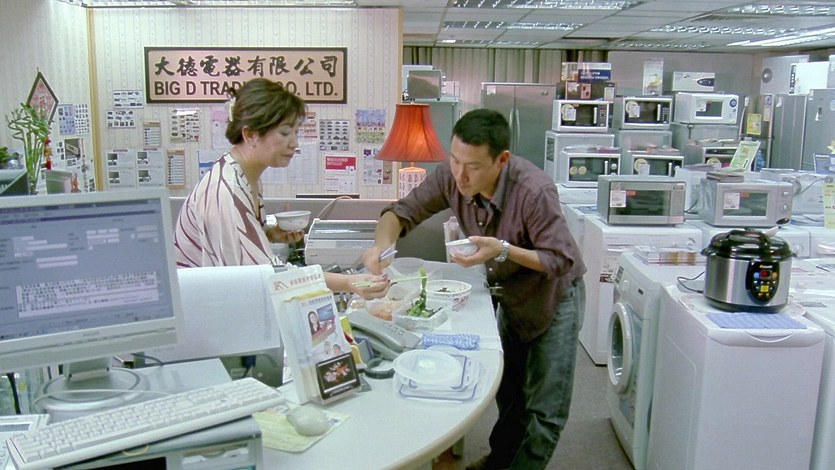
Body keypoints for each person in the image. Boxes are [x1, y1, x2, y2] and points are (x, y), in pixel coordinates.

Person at [361, 109, 586, 470]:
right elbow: (400, 212)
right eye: (454, 160)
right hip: (511, 295)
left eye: (473, 167)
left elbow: (560, 259)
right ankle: (499, 462)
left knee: (545, 409)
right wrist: (381, 248)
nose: (460, 175)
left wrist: (503, 250)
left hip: (552, 299)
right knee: (510, 395)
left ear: (502, 160)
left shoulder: (534, 190)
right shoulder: (452, 176)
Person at [174, 78, 389, 299]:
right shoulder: (227, 192)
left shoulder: (242, 175)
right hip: (203, 308)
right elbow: (270, 277)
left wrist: (268, 233)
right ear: (251, 134)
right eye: (285, 133)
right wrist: (349, 282)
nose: (295, 143)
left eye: (296, 132)